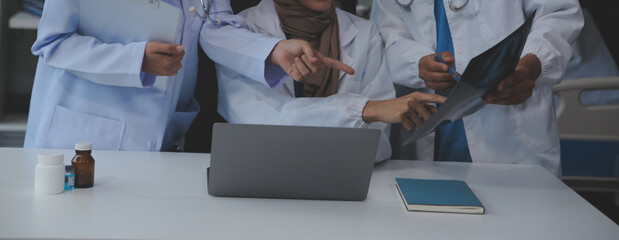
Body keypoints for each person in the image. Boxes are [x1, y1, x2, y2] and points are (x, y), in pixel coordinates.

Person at [24, 0, 353, 151]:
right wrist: (135, 59)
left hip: (157, 141)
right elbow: (54, 43)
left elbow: (217, 28)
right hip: (81, 136)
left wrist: (273, 50)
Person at [371, 0, 584, 176]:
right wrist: (416, 64)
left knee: (518, 222)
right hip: (430, 135)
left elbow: (560, 14)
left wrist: (533, 64)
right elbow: (387, 37)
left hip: (509, 135)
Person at [215, 0, 446, 162]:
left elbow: (377, 144)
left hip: (349, 183)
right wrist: (365, 110)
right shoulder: (240, 35)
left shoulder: (365, 33)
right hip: (263, 184)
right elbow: (261, 131)